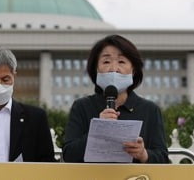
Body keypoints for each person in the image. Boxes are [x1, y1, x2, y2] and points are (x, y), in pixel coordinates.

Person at [63, 34, 169, 163]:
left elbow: (163, 158)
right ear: (96, 69)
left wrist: (144, 154)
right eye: (106, 62)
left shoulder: (150, 110)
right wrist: (98, 130)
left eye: (121, 62)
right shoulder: (82, 106)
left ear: (133, 70)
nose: (114, 69)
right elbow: (68, 155)